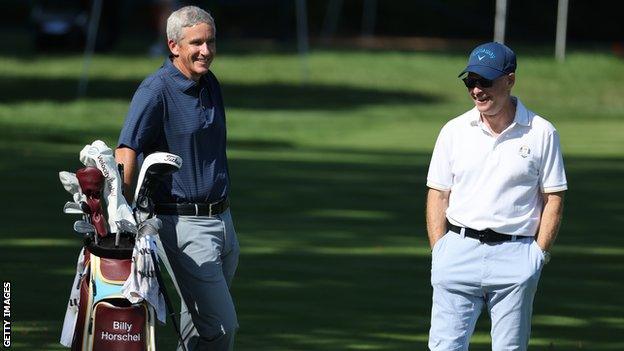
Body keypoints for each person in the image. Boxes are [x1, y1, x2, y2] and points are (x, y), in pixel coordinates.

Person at [425, 42, 567, 350]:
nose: (477, 90)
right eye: (470, 82)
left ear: (510, 80)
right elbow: (438, 194)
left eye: (485, 81)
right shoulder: (453, 131)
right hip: (458, 252)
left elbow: (553, 197)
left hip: (516, 256)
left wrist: (538, 256)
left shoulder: (542, 132)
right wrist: (440, 251)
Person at [115, 6, 239, 351]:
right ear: (174, 46)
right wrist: (123, 214)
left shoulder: (208, 82)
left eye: (211, 41)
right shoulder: (155, 90)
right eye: (196, 43)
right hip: (183, 226)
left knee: (197, 325)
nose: (206, 51)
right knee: (222, 327)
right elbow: (126, 150)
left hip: (223, 222)